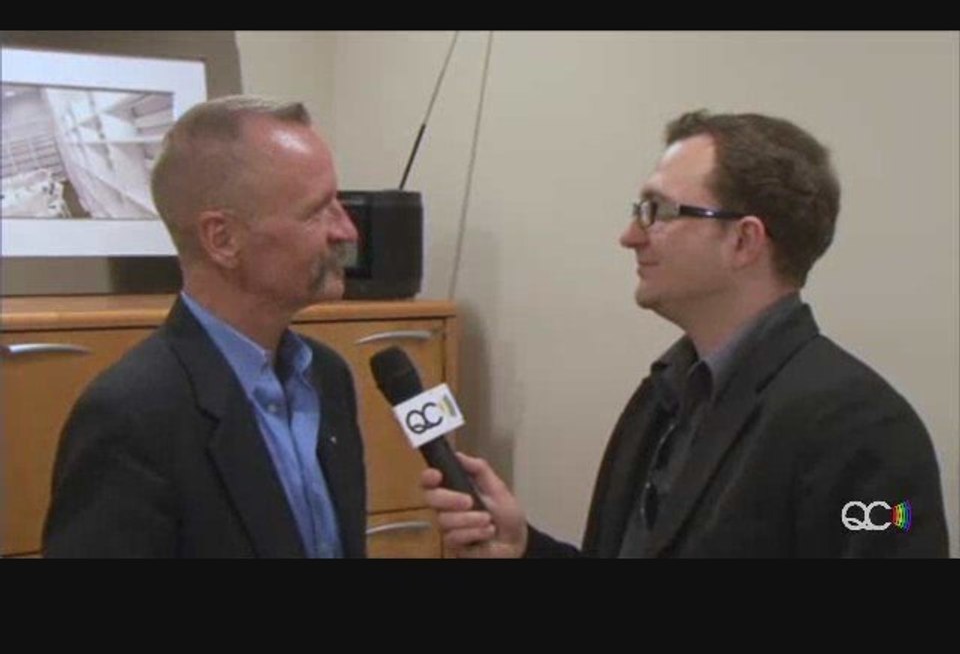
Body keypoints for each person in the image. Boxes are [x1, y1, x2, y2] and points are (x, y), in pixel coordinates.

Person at [422, 110, 949, 558]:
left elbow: (891, 529)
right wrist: (523, 548)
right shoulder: (664, 397)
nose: (630, 236)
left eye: (658, 212)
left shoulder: (863, 431)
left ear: (743, 241)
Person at [43, 95, 366, 557]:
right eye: (317, 211)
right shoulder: (131, 415)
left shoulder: (327, 377)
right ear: (222, 239)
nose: (347, 232)